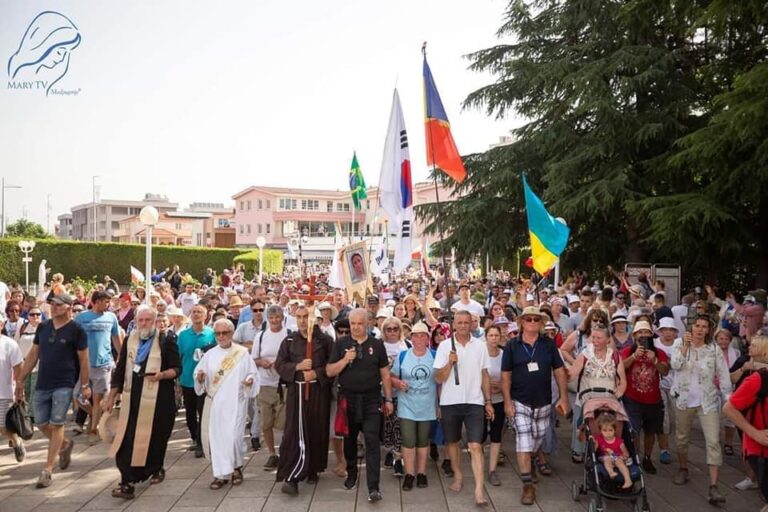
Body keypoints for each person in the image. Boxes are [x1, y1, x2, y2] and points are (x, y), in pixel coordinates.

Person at [102, 306, 180, 499]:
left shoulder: (165, 340)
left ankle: (156, 468)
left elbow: (177, 369)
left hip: (159, 400)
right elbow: (120, 369)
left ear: (155, 321)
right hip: (133, 400)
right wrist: (111, 396)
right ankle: (127, 482)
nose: (143, 324)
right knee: (127, 440)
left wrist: (162, 375)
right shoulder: (130, 340)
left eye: (147, 320)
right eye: (140, 320)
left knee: (155, 438)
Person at [15, 293, 90, 488]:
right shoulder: (43, 327)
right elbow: (33, 355)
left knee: (57, 423)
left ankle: (47, 469)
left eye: (58, 304)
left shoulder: (77, 330)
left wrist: (84, 385)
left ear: (69, 307)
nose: (54, 307)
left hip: (65, 383)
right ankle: (64, 444)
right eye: (52, 304)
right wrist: (20, 380)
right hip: (43, 382)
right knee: (40, 422)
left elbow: (84, 359)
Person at [502, 306, 569, 506]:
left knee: (536, 440)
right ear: (521, 322)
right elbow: (505, 375)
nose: (532, 322)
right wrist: (507, 401)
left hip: (544, 402)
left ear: (541, 323)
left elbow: (559, 371)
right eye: (528, 319)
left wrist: (564, 397)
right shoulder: (512, 346)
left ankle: (531, 461)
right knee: (523, 441)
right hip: (520, 401)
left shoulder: (548, 345)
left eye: (536, 319)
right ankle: (527, 485)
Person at [326, 308, 394, 503]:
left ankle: (373, 487)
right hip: (348, 399)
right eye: (353, 323)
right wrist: (345, 360)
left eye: (360, 323)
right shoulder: (341, 344)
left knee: (372, 442)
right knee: (349, 442)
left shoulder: (377, 344)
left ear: (368, 324)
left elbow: (385, 374)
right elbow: (329, 371)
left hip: (372, 399)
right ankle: (352, 474)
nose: (355, 327)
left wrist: (388, 399)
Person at [433, 310, 494, 506]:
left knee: (476, 445)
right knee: (452, 442)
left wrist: (488, 401)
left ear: (471, 324)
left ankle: (479, 490)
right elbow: (438, 378)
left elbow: (485, 374)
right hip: (450, 402)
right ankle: (458, 474)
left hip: (475, 401)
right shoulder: (445, 346)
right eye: (459, 322)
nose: (463, 326)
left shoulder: (480, 346)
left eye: (466, 322)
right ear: (454, 325)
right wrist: (449, 364)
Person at [670, 314, 731, 504]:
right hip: (683, 399)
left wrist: (728, 399)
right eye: (697, 325)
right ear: (691, 327)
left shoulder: (714, 349)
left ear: (708, 330)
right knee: (682, 438)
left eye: (704, 326)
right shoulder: (679, 343)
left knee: (713, 441)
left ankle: (713, 486)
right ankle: (683, 468)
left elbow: (723, 375)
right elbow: (675, 365)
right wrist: (685, 346)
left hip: (707, 400)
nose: (700, 329)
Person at [275, 305, 334, 495]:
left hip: (318, 392)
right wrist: (297, 367)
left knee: (316, 429)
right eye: (299, 317)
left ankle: (313, 468)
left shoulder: (325, 341)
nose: (302, 321)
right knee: (294, 432)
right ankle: (293, 475)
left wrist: (317, 373)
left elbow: (332, 366)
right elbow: (280, 365)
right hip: (297, 392)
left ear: (314, 318)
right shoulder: (289, 340)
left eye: (306, 316)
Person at [194, 319, 259, 489]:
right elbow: (199, 374)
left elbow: (252, 373)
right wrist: (200, 378)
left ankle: (236, 468)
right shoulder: (209, 355)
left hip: (237, 402)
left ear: (231, 333)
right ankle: (220, 474)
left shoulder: (242, 353)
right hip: (217, 405)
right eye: (218, 333)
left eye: (225, 333)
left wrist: (250, 380)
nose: (221, 336)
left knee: (234, 438)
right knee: (218, 439)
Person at [390, 321, 437, 491]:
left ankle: (421, 473)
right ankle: (410, 474)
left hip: (427, 404)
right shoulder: (403, 356)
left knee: (423, 440)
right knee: (408, 439)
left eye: (422, 336)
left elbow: (440, 380)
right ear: (412, 338)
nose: (419, 339)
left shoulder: (434, 355)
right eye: (416, 336)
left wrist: (440, 405)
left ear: (427, 338)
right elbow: (391, 376)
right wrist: (398, 383)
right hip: (407, 404)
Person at [723, 335, 768, 512]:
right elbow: (729, 408)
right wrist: (754, 433)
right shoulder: (758, 379)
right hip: (761, 450)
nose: (750, 347)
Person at [620, 320, 669, 474]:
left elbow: (665, 371)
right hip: (632, 398)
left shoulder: (659, 352)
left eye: (646, 332)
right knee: (633, 430)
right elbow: (620, 367)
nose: (643, 335)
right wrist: (634, 356)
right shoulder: (628, 351)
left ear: (651, 335)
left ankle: (647, 457)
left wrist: (654, 360)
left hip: (653, 399)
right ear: (634, 335)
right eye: (640, 332)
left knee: (650, 432)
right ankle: (634, 457)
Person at [75, 290, 121, 444]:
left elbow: (116, 338)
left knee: (98, 398)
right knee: (77, 396)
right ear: (96, 302)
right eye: (106, 301)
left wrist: (122, 356)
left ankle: (94, 429)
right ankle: (93, 414)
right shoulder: (81, 318)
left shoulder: (111, 317)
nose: (109, 304)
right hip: (84, 364)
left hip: (104, 363)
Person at [176, 304, 215, 457]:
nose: (196, 314)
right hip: (187, 379)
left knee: (203, 412)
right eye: (194, 312)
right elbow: (178, 357)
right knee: (190, 413)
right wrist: (177, 381)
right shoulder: (183, 335)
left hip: (205, 381)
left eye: (200, 312)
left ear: (206, 316)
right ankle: (194, 437)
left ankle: (201, 442)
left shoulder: (212, 334)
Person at [483, 325, 508, 487]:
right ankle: (478, 464)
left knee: (496, 434)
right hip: (481, 400)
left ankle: (492, 470)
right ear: (486, 337)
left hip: (499, 399)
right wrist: (485, 385)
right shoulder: (480, 354)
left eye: (496, 335)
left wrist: (501, 386)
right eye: (491, 335)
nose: (493, 338)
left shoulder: (504, 355)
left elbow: (508, 376)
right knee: (479, 434)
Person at [0, 323, 25, 462]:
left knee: (3, 428)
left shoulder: (9, 344)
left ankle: (17, 442)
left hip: (4, 392)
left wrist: (19, 388)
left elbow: (18, 366)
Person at [15, 305, 42, 422]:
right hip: (24, 364)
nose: (35, 316)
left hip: (39, 363)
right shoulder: (23, 327)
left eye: (38, 314)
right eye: (32, 314)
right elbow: (16, 344)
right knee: (26, 389)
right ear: (28, 316)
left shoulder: (44, 328)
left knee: (34, 389)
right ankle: (28, 412)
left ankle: (31, 416)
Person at [594, 413, 632, 489]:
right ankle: (611, 472)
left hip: (617, 457)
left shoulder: (619, 441)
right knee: (607, 459)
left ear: (615, 430)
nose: (608, 433)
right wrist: (593, 441)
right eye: (605, 430)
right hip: (605, 457)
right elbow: (594, 449)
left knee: (620, 462)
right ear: (601, 431)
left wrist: (624, 456)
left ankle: (628, 480)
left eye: (610, 430)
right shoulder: (599, 439)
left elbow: (625, 452)